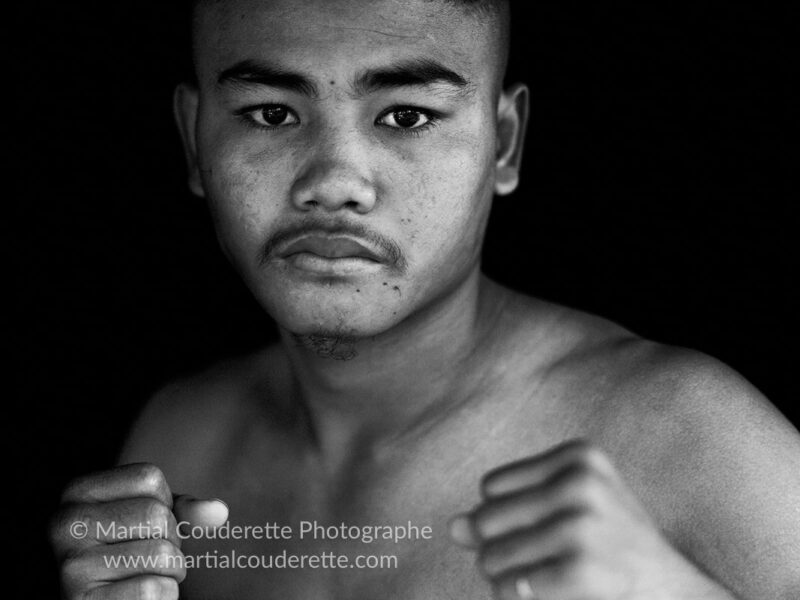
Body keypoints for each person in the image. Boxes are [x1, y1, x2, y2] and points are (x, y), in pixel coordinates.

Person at [48, 0, 800, 598]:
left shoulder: (686, 438)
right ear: (193, 141)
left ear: (502, 143)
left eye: (406, 115)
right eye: (272, 113)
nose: (335, 182)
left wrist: (671, 593)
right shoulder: (180, 445)